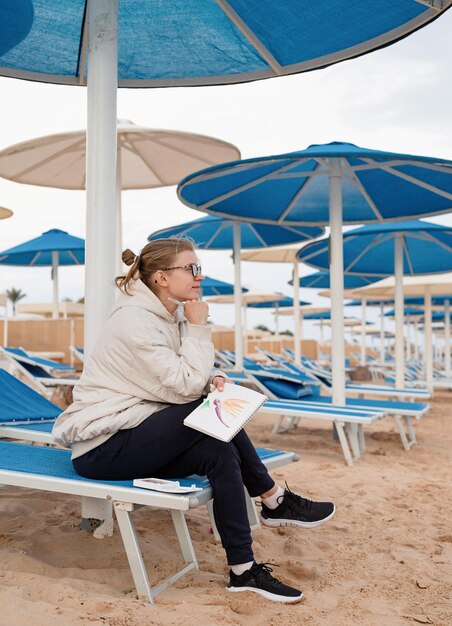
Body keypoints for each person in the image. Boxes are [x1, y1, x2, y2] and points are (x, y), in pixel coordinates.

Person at [52, 237, 335, 604]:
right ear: (161, 278)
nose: (199, 276)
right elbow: (183, 388)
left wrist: (210, 377)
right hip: (104, 447)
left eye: (198, 268)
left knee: (219, 451)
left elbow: (180, 375)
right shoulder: (134, 323)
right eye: (192, 268)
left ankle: (243, 570)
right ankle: (272, 498)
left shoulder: (168, 316)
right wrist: (198, 331)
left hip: (136, 432)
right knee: (211, 407)